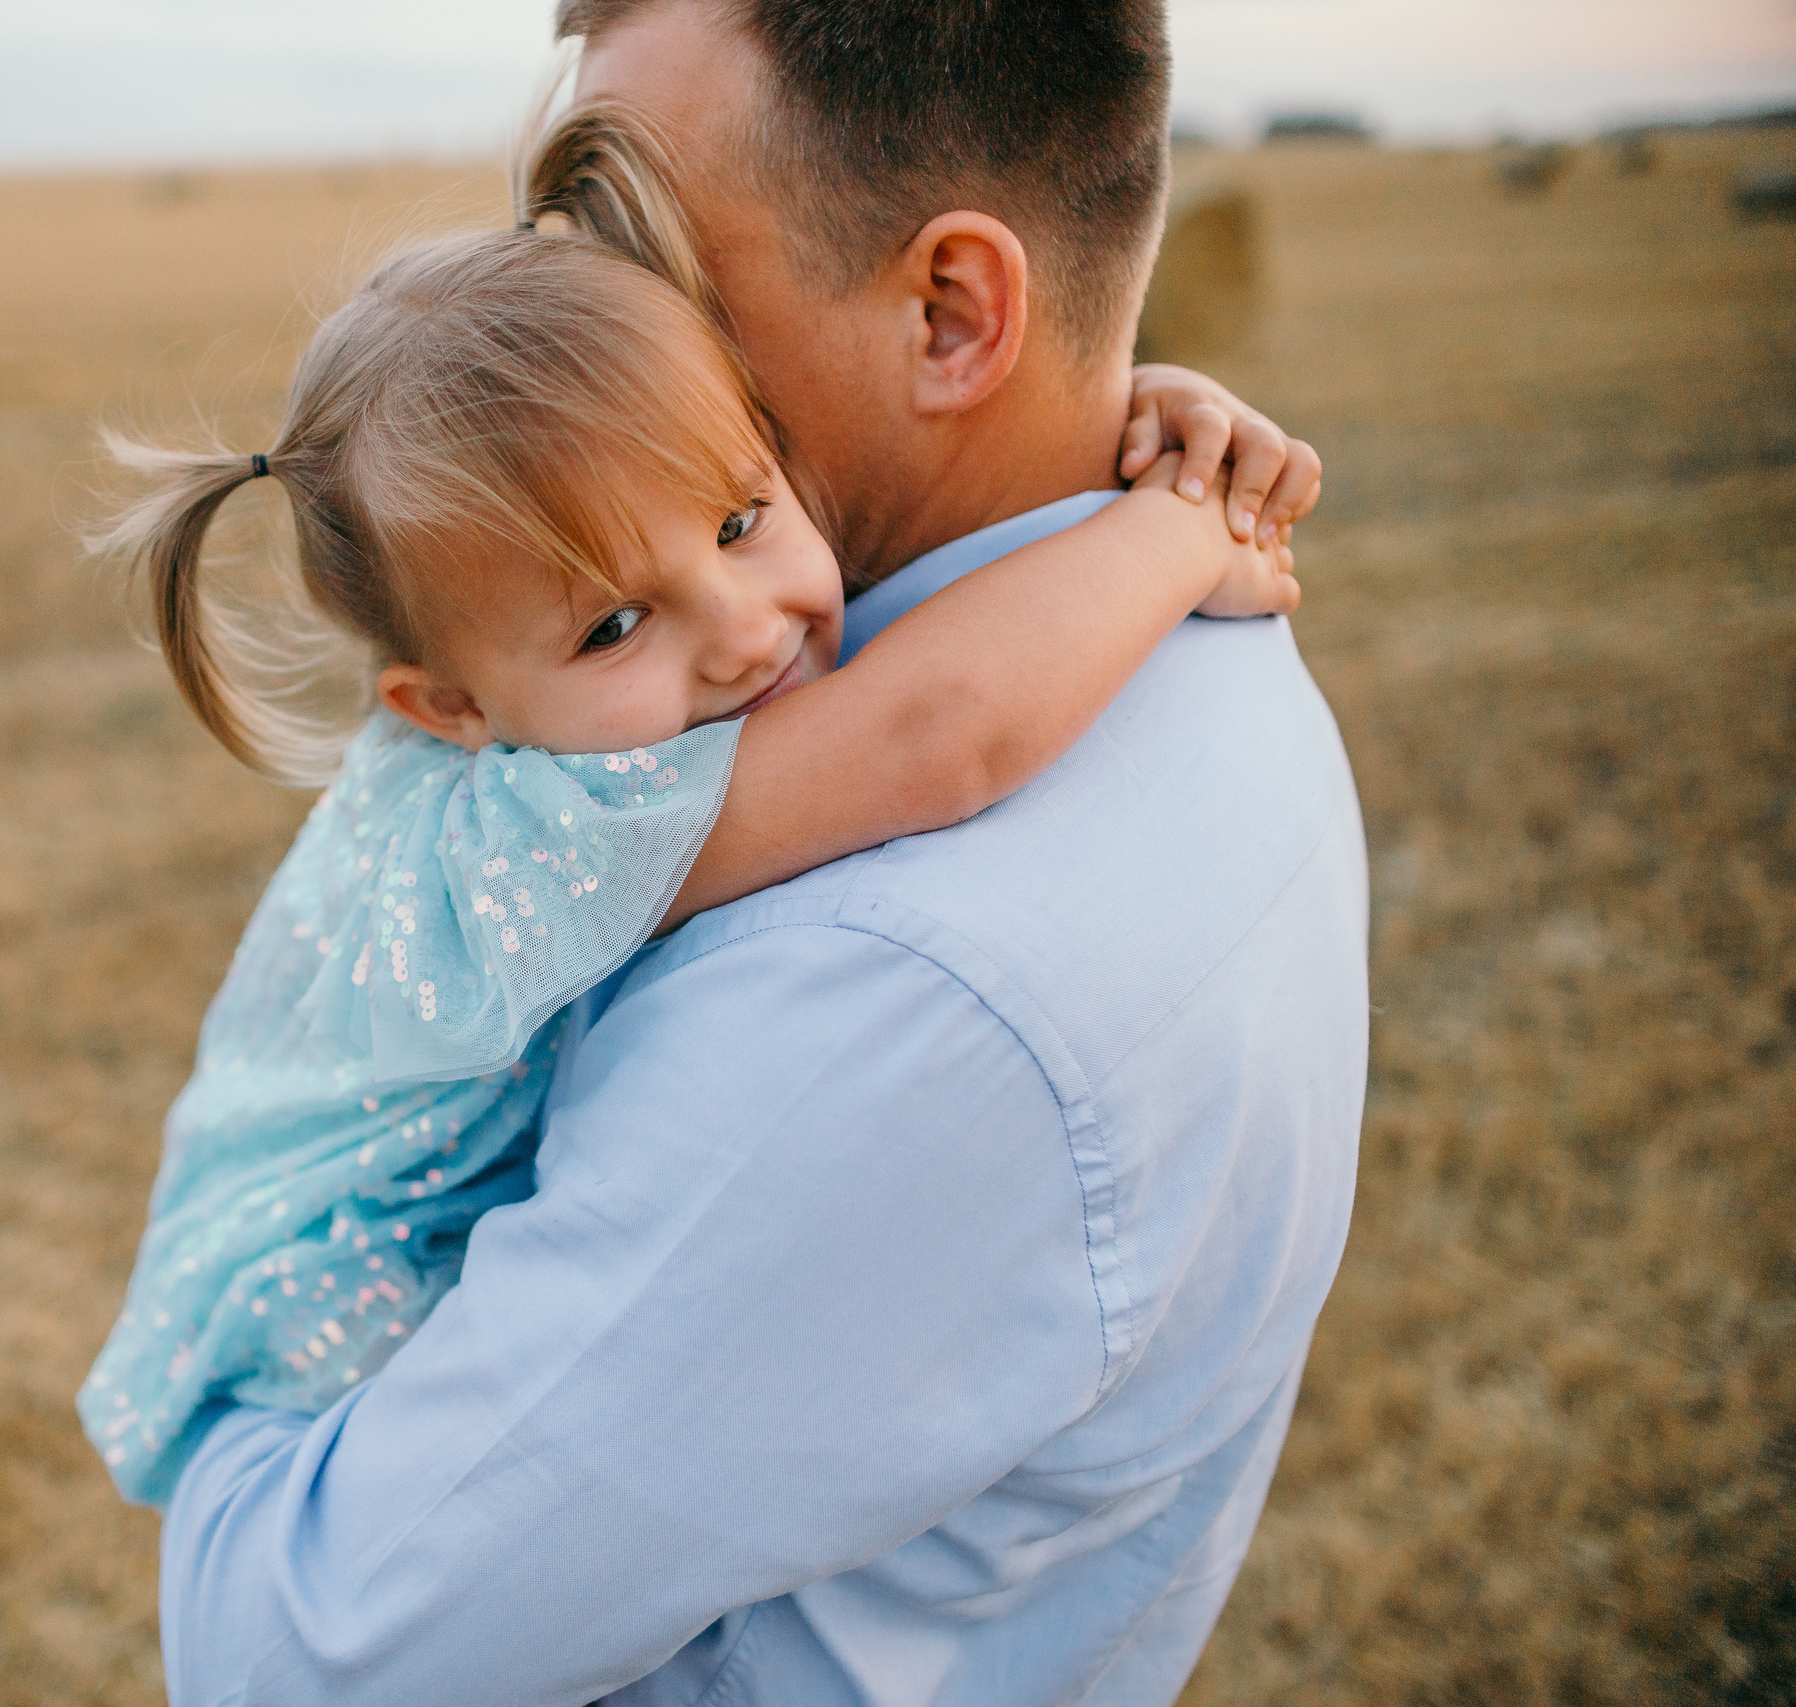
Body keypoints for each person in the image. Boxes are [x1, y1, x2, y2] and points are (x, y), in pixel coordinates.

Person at [153, 2, 1370, 1704]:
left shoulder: (898, 991)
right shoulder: (1217, 688)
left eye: (674, 300)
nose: (623, 371)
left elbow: (295, 1662)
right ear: (444, 706)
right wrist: (1164, 500)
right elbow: (939, 714)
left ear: (955, 314)